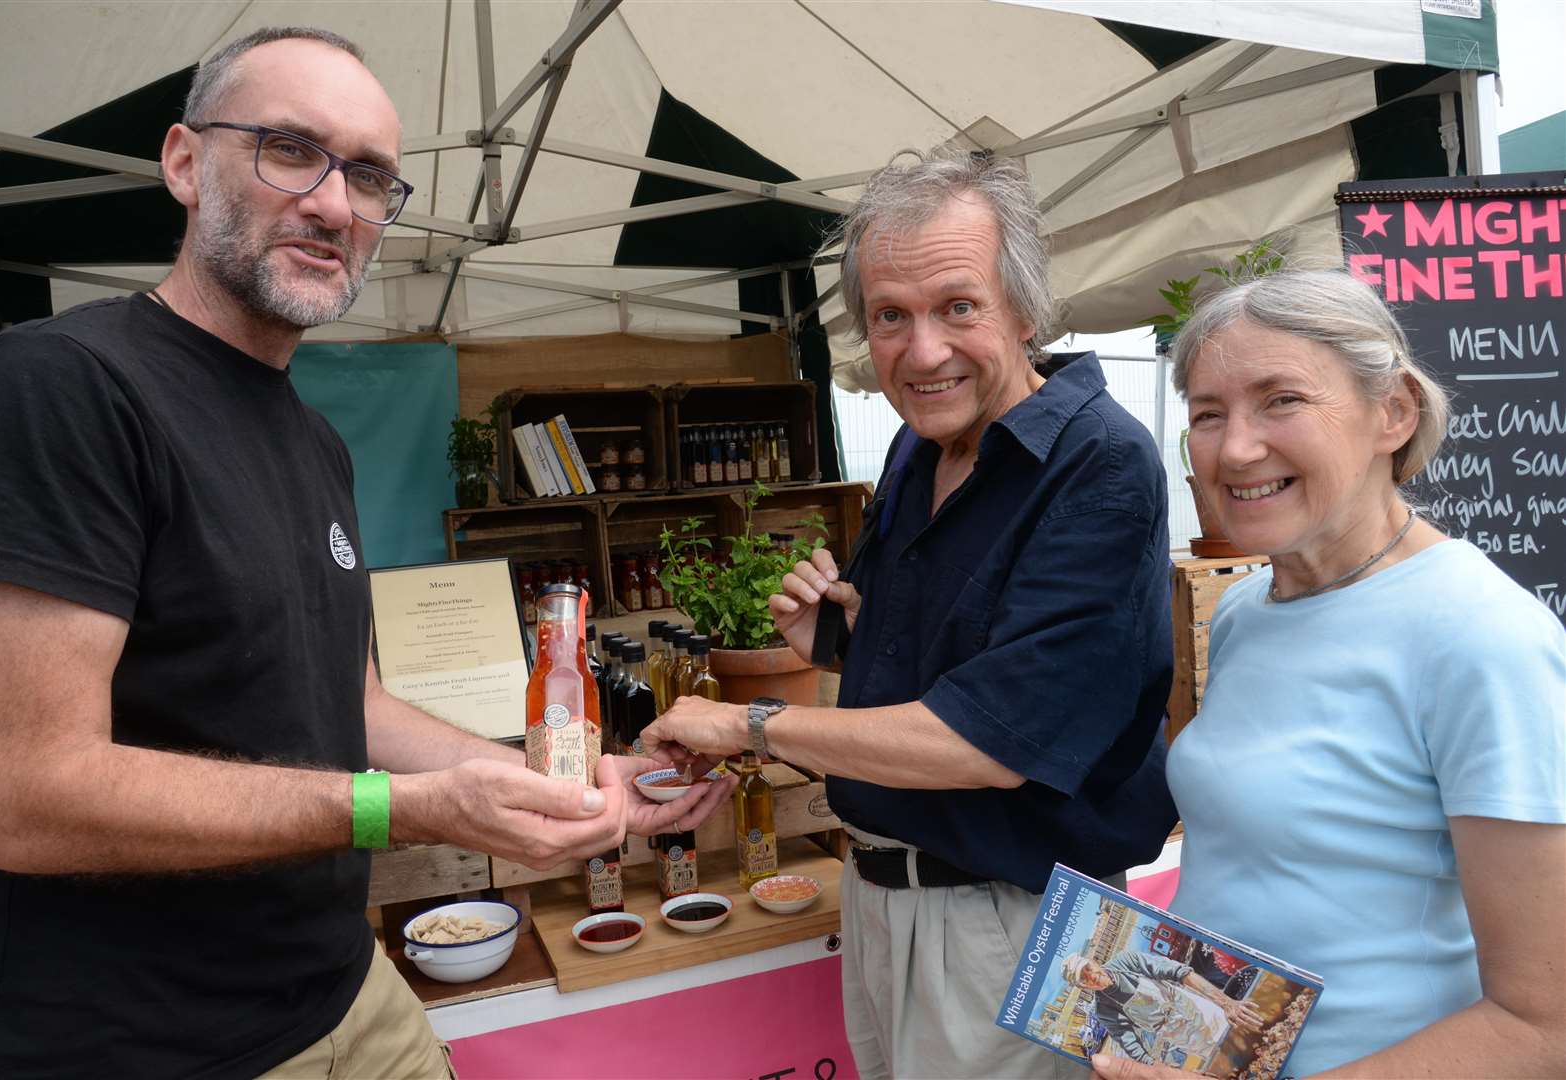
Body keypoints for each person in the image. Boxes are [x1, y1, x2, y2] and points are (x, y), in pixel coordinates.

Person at [0, 27, 728, 1080]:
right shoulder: (60, 386)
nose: (332, 203)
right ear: (183, 161)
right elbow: (23, 798)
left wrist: (555, 782)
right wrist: (394, 809)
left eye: (368, 175)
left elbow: (347, 703)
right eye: (287, 148)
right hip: (134, 1040)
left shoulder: (311, 439)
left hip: (341, 990)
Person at [642, 146, 1177, 1079]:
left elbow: (995, 744)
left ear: (1023, 308)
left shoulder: (1099, 462)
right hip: (884, 896)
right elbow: (957, 661)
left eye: (957, 307)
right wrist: (841, 640)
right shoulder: (918, 445)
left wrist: (750, 722)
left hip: (1008, 922)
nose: (922, 352)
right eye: (890, 316)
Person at [1092, 270, 1566, 1080]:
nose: (1236, 448)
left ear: (1394, 413)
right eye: (1209, 413)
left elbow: (1543, 1024)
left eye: (1282, 400)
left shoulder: (1483, 639)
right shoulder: (1247, 609)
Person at [1064, 950, 1263, 1067]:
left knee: (1247, 1032)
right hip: (1178, 1034)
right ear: (1083, 987)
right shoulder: (1104, 1010)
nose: (1091, 976)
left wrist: (1227, 1004)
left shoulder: (1126, 961)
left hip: (1192, 1006)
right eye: (1083, 978)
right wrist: (1158, 1069)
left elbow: (1180, 972)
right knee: (1228, 1061)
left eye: (1088, 968)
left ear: (1093, 961)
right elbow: (1132, 1045)